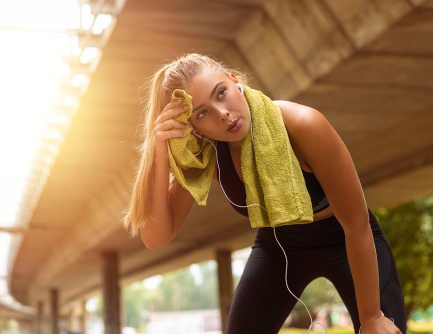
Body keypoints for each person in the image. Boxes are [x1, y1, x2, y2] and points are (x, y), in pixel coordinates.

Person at [123, 53, 406, 334]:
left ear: (234, 81)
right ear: (191, 126)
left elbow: (356, 224)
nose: (222, 114)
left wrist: (371, 316)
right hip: (277, 248)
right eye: (202, 113)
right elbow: (156, 237)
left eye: (221, 93)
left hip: (344, 238)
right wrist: (160, 152)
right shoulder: (207, 152)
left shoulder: (304, 125)